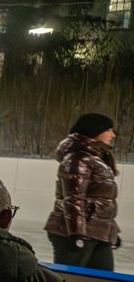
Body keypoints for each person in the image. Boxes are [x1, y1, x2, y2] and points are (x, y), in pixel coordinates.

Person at [44, 112, 120, 271]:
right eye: (108, 129)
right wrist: (76, 233)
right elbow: (74, 199)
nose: (112, 134)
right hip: (75, 232)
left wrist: (111, 231)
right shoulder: (78, 159)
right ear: (95, 131)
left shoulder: (96, 158)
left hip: (97, 232)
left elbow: (101, 200)